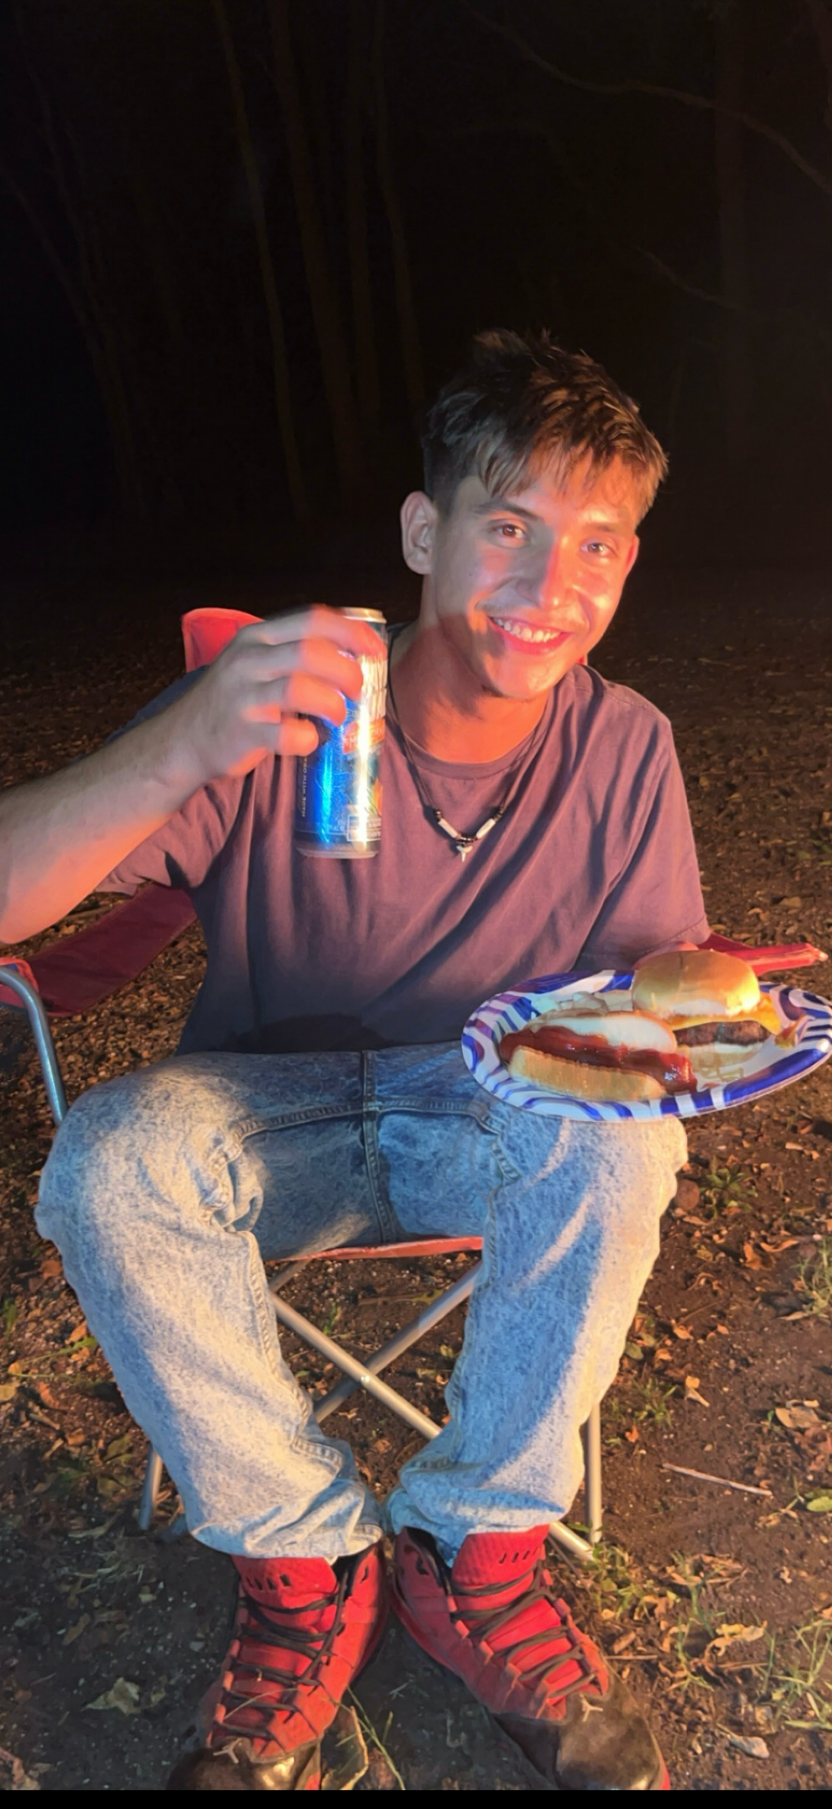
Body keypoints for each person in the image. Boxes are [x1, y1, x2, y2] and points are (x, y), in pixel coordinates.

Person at [0, 331, 708, 1792]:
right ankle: (305, 1561)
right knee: (119, 1156)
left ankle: (475, 1550)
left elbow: (646, 1020)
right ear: (423, 532)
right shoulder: (283, 704)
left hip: (488, 1100)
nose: (551, 582)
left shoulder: (625, 744)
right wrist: (180, 744)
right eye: (507, 525)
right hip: (275, 1115)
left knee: (626, 1128)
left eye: (599, 542)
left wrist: (701, 1028)